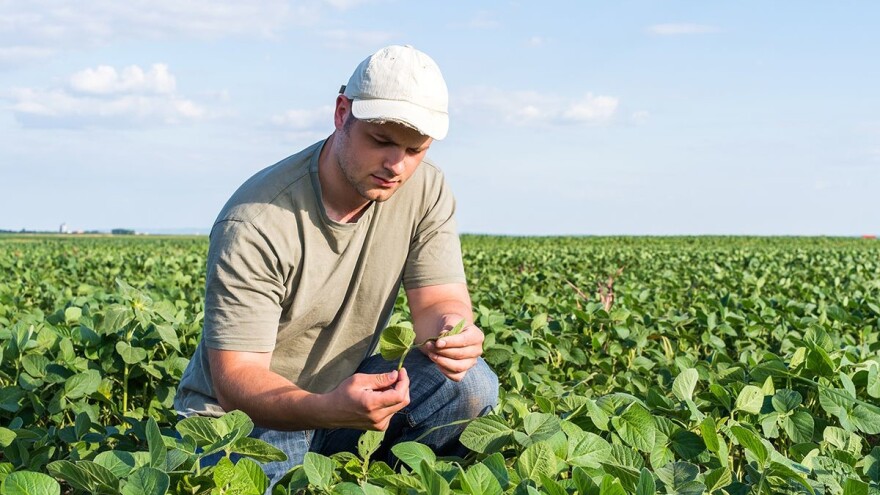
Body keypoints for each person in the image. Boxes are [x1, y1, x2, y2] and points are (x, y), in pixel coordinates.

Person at [174, 44, 499, 488]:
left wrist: (452, 332)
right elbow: (237, 379)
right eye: (381, 141)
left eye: (414, 149)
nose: (396, 165)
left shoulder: (425, 189)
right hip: (248, 419)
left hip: (348, 395)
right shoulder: (257, 221)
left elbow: (439, 302)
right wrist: (326, 407)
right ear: (342, 112)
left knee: (470, 383)